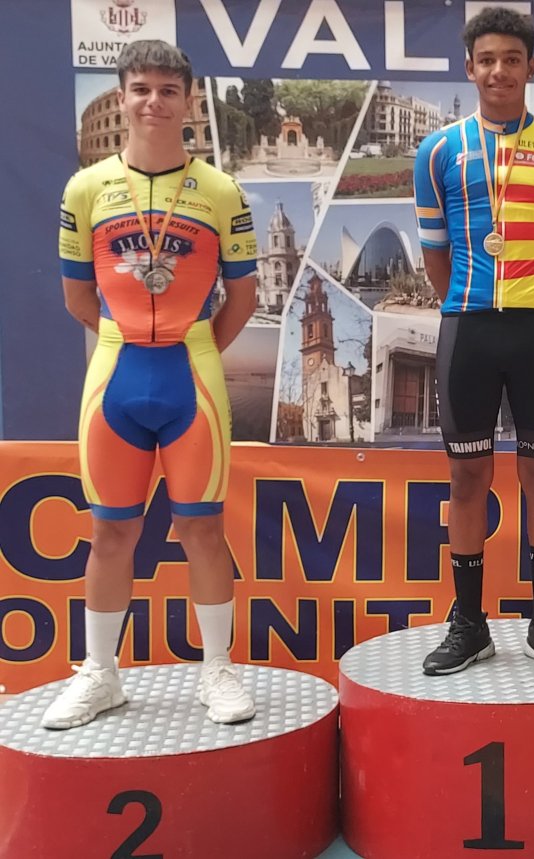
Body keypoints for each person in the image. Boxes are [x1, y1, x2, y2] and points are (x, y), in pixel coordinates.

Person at [46, 40, 258, 728]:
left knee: (203, 528)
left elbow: (244, 297)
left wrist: (193, 347)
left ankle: (217, 669)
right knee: (110, 532)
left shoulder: (221, 191)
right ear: (122, 96)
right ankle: (99, 673)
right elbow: (78, 296)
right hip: (116, 372)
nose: (154, 102)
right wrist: (129, 338)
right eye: (141, 89)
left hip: (191, 375)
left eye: (169, 90)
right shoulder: (85, 188)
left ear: (189, 101)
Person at [413, 8, 534, 675]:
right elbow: (436, 257)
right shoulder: (437, 152)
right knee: (467, 477)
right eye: (486, 60)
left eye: (511, 59)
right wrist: (469, 301)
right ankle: (469, 623)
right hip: (467, 327)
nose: (498, 71)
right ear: (470, 68)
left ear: (530, 67)